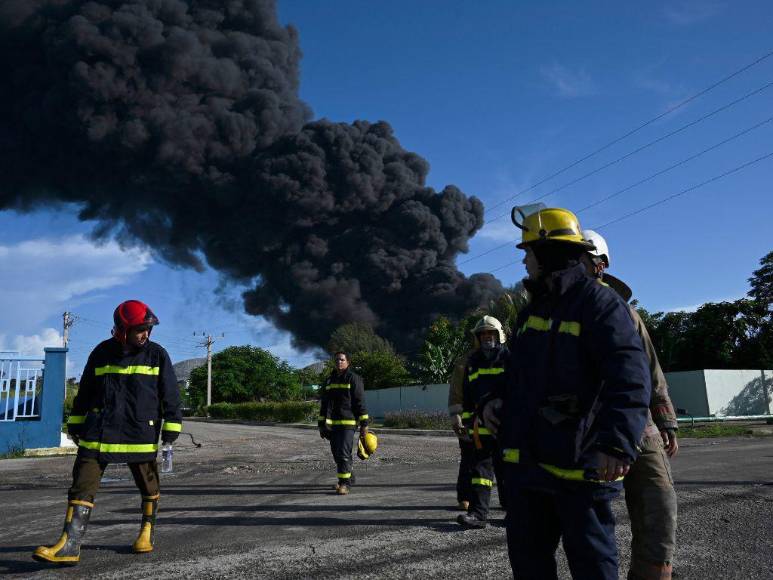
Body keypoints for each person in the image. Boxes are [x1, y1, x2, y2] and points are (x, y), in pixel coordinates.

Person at [482, 206, 651, 580]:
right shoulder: (531, 313)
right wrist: (492, 401)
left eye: (528, 252)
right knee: (529, 566)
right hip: (528, 471)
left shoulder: (601, 305)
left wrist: (616, 443)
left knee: (593, 566)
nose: (524, 260)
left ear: (549, 252)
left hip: (581, 469)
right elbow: (516, 374)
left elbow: (631, 377)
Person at [34, 300, 182, 564]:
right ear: (122, 330)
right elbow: (86, 392)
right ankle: (70, 545)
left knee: (148, 486)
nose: (146, 334)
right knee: (82, 482)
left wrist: (171, 429)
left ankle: (146, 533)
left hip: (139, 433)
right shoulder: (101, 353)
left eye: (148, 329)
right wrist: (76, 424)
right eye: (140, 329)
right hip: (99, 432)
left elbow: (170, 394)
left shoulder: (157, 354)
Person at [582, 229, 679, 580]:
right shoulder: (564, 316)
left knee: (659, 505)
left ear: (600, 266)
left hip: (641, 426)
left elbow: (651, 370)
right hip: (591, 427)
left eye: (582, 260)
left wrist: (666, 421)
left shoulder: (628, 315)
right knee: (588, 522)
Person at [456, 316, 509, 529]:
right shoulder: (473, 363)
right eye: (483, 334)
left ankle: (515, 514)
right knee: (480, 473)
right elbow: (468, 397)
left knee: (509, 472)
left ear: (499, 335)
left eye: (491, 333)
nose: (487, 337)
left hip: (507, 427)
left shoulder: (509, 358)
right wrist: (468, 424)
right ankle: (478, 515)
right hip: (481, 428)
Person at [318, 351, 369, 495]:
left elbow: (360, 402)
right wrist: (321, 426)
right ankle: (349, 475)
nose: (339, 362)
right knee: (336, 454)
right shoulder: (329, 380)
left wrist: (364, 423)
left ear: (348, 362)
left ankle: (344, 484)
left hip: (348, 423)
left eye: (342, 360)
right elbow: (324, 405)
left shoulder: (353, 378)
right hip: (332, 425)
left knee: (343, 453)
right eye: (337, 360)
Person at [448, 352, 474, 511]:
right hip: (470, 421)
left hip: (498, 420)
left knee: (501, 463)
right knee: (469, 460)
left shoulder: (506, 359)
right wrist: (456, 417)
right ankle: (465, 497)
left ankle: (507, 501)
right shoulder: (464, 362)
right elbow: (456, 393)